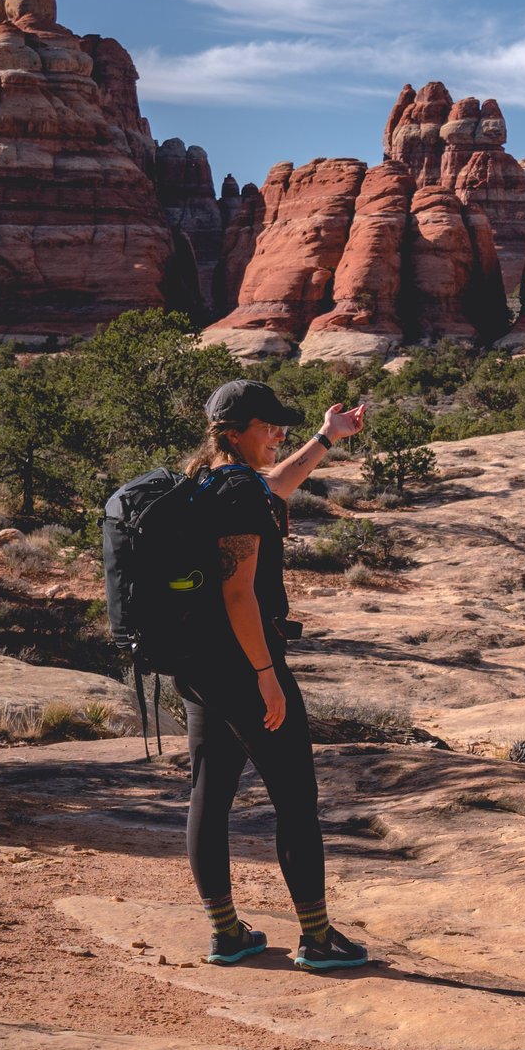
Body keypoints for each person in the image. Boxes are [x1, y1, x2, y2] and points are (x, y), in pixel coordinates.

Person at [178, 378, 374, 972]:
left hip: (200, 664)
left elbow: (275, 486)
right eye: (268, 427)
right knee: (295, 798)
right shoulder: (238, 492)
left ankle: (226, 934)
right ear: (235, 433)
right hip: (244, 662)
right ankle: (316, 939)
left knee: (209, 796)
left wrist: (325, 437)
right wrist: (265, 673)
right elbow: (239, 593)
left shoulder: (209, 480)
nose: (277, 434)